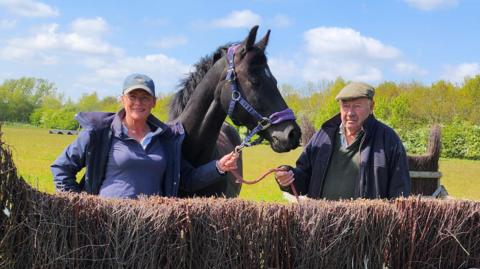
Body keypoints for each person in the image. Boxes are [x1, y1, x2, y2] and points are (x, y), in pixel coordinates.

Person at [51, 73, 239, 199]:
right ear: (122, 99)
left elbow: (187, 179)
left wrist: (218, 167)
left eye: (145, 97)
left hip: (151, 230)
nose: (138, 103)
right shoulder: (99, 132)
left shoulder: (166, 139)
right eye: (132, 97)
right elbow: (62, 168)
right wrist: (80, 205)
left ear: (154, 102)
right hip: (106, 225)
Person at [275, 82, 410, 199]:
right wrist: (288, 177)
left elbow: (400, 191)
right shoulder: (323, 136)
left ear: (371, 106)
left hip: (366, 227)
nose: (350, 113)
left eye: (357, 106)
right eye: (345, 106)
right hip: (323, 225)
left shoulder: (388, 139)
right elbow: (303, 177)